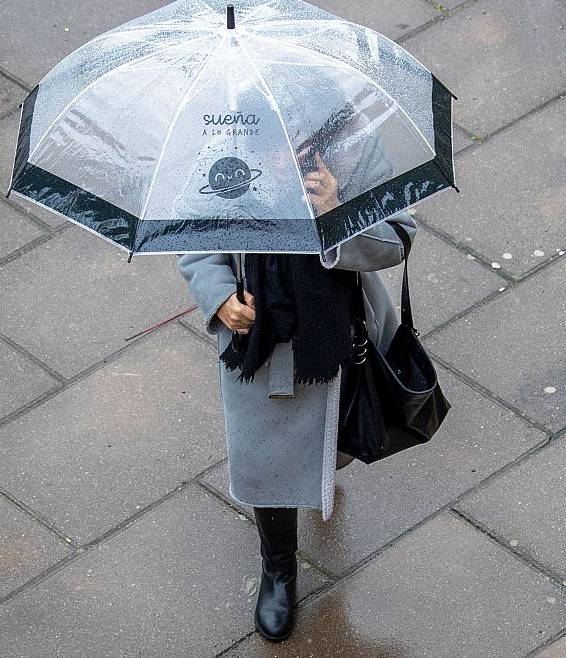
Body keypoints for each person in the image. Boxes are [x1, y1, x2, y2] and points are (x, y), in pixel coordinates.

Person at [177, 139, 414, 642]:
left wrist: (335, 213)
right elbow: (197, 239)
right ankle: (279, 567)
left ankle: (320, 471)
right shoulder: (224, 142)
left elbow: (396, 240)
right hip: (261, 348)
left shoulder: (354, 147)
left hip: (338, 340)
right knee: (266, 460)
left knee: (335, 444)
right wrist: (219, 296)